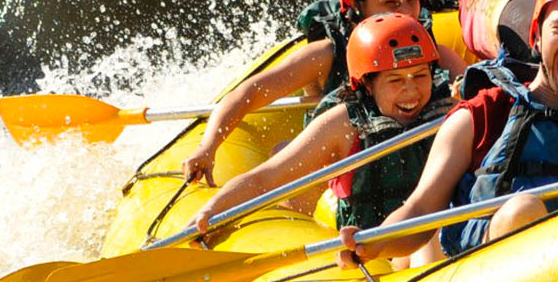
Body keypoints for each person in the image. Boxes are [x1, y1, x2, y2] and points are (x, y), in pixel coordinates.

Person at [336, 0, 558, 269]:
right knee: (523, 211)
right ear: (536, 37)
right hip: (481, 278)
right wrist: (372, 244)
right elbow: (420, 210)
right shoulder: (481, 115)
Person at [182, 0, 464, 186]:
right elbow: (248, 93)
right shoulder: (326, 55)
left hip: (414, 170)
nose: (405, 12)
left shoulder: (433, 53)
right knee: (283, 151)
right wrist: (207, 147)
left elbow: (477, 94)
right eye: (390, 2)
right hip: (341, 178)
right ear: (355, 5)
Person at [190, 13, 454, 235]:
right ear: (367, 85)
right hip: (371, 244)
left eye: (420, 76)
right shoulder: (343, 124)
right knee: (283, 151)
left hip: (435, 234)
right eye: (395, 80)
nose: (411, 91)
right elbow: (265, 179)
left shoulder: (448, 109)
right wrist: (212, 210)